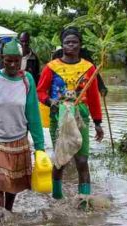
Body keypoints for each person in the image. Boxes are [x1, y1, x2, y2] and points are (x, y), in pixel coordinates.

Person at [0, 38, 45, 213]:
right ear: (2, 59)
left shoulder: (27, 80)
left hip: (18, 140)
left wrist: (40, 146)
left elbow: (33, 114)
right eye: (8, 60)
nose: (13, 65)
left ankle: (9, 214)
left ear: (21, 60)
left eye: (16, 61)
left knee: (13, 183)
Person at [36, 28, 104, 200]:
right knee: (61, 161)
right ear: (63, 45)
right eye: (67, 42)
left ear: (80, 45)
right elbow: (40, 91)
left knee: (82, 161)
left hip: (81, 116)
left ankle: (84, 201)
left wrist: (97, 122)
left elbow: (94, 97)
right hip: (59, 116)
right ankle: (57, 197)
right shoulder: (51, 68)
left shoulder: (89, 68)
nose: (71, 45)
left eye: (74, 42)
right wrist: (50, 101)